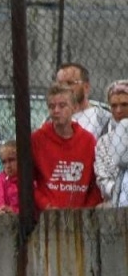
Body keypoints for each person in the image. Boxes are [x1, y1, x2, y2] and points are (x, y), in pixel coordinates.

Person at [33, 82, 101, 210]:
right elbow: (26, 182)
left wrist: (86, 209)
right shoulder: (37, 139)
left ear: (74, 108)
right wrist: (45, 205)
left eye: (62, 105)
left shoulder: (88, 140)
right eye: (51, 106)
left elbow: (96, 182)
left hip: (81, 213)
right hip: (47, 214)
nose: (56, 111)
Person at [57, 63, 111, 141]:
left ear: (86, 87)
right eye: (60, 84)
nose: (64, 88)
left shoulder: (104, 119)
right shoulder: (53, 118)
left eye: (70, 83)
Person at [95, 81, 128, 208]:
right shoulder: (104, 142)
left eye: (124, 104)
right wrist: (119, 191)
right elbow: (102, 178)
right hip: (115, 202)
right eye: (114, 106)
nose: (119, 110)